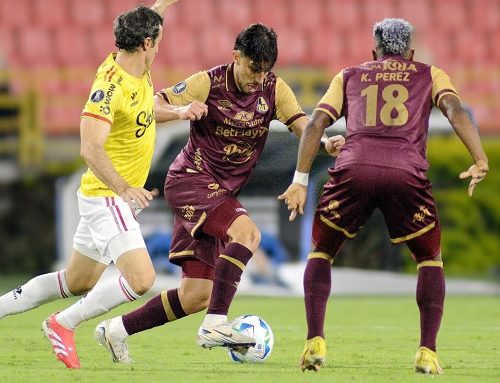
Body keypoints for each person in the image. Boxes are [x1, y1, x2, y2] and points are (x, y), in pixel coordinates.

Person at [94, 22, 345, 364]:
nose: (259, 78)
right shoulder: (207, 82)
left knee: (197, 295)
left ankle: (116, 331)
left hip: (219, 193)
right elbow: (153, 105)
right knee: (248, 233)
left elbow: (303, 126)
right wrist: (182, 111)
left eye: (265, 70)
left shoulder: (273, 89)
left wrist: (326, 144)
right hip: (190, 180)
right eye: (254, 68)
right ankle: (215, 325)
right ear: (236, 57)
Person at [0, 0, 207, 369]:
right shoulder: (108, 88)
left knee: (77, 280)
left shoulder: (138, 65)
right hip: (108, 196)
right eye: (157, 41)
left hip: (108, 198)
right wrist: (125, 188)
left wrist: (177, 111)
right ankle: (63, 323)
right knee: (142, 278)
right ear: (147, 43)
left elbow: (144, 108)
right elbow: (89, 147)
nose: (160, 45)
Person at [278, 18, 489, 374]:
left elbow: (315, 123)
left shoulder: (349, 75)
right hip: (405, 172)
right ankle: (427, 351)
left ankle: (315, 340)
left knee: (322, 251)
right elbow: (455, 110)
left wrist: (300, 179)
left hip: (353, 167)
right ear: (411, 52)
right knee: (429, 258)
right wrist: (479, 158)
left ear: (374, 51)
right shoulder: (431, 73)